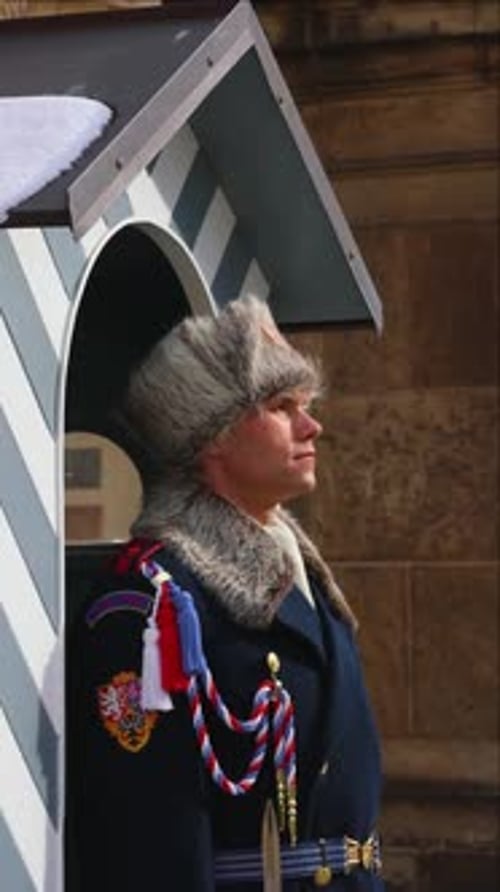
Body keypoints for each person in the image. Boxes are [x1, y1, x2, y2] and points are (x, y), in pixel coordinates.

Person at [69, 295, 384, 892]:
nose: (311, 426)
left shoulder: (305, 574)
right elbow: (145, 839)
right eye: (282, 407)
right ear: (211, 434)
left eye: (307, 406)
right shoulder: (150, 600)